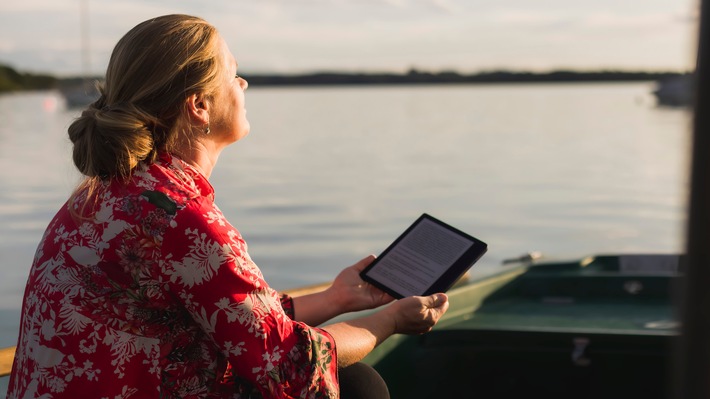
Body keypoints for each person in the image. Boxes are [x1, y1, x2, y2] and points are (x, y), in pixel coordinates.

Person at [6, 14, 449, 399]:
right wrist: (389, 320)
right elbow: (293, 370)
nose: (244, 84)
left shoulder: (101, 194)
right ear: (199, 106)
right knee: (360, 387)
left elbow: (233, 315)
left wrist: (337, 298)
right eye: (233, 73)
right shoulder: (180, 218)